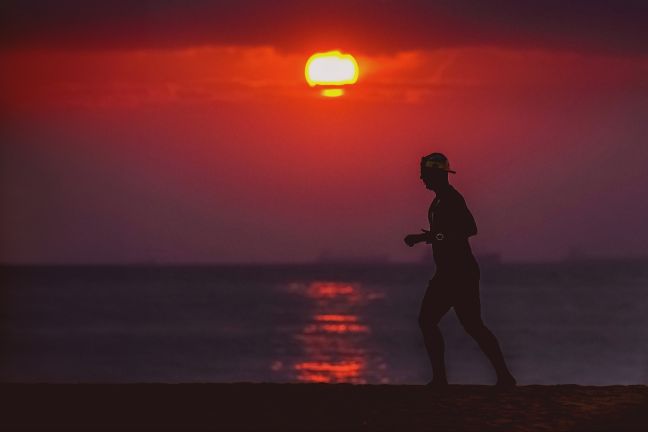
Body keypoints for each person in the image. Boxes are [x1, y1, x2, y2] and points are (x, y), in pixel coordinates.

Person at [404, 152, 516, 389]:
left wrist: (431, 237)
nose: (421, 178)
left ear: (436, 174)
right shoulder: (437, 201)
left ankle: (497, 377)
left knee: (456, 324)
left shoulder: (452, 199)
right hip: (448, 273)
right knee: (448, 323)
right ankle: (447, 378)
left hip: (459, 273)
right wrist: (428, 237)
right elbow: (444, 232)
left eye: (424, 174)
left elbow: (469, 228)